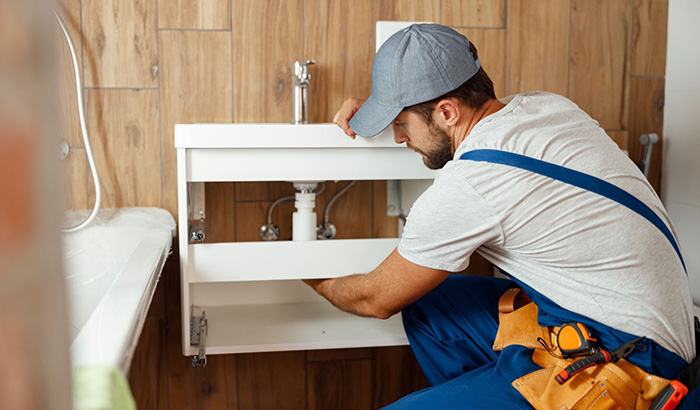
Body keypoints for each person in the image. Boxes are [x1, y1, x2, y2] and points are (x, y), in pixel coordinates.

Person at [302, 24, 699, 409]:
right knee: (429, 305)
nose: (399, 138)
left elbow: (377, 298)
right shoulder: (546, 106)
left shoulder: (473, 183)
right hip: (640, 333)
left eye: (401, 123)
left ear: (446, 111)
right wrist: (382, 108)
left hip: (636, 373)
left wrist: (319, 282)